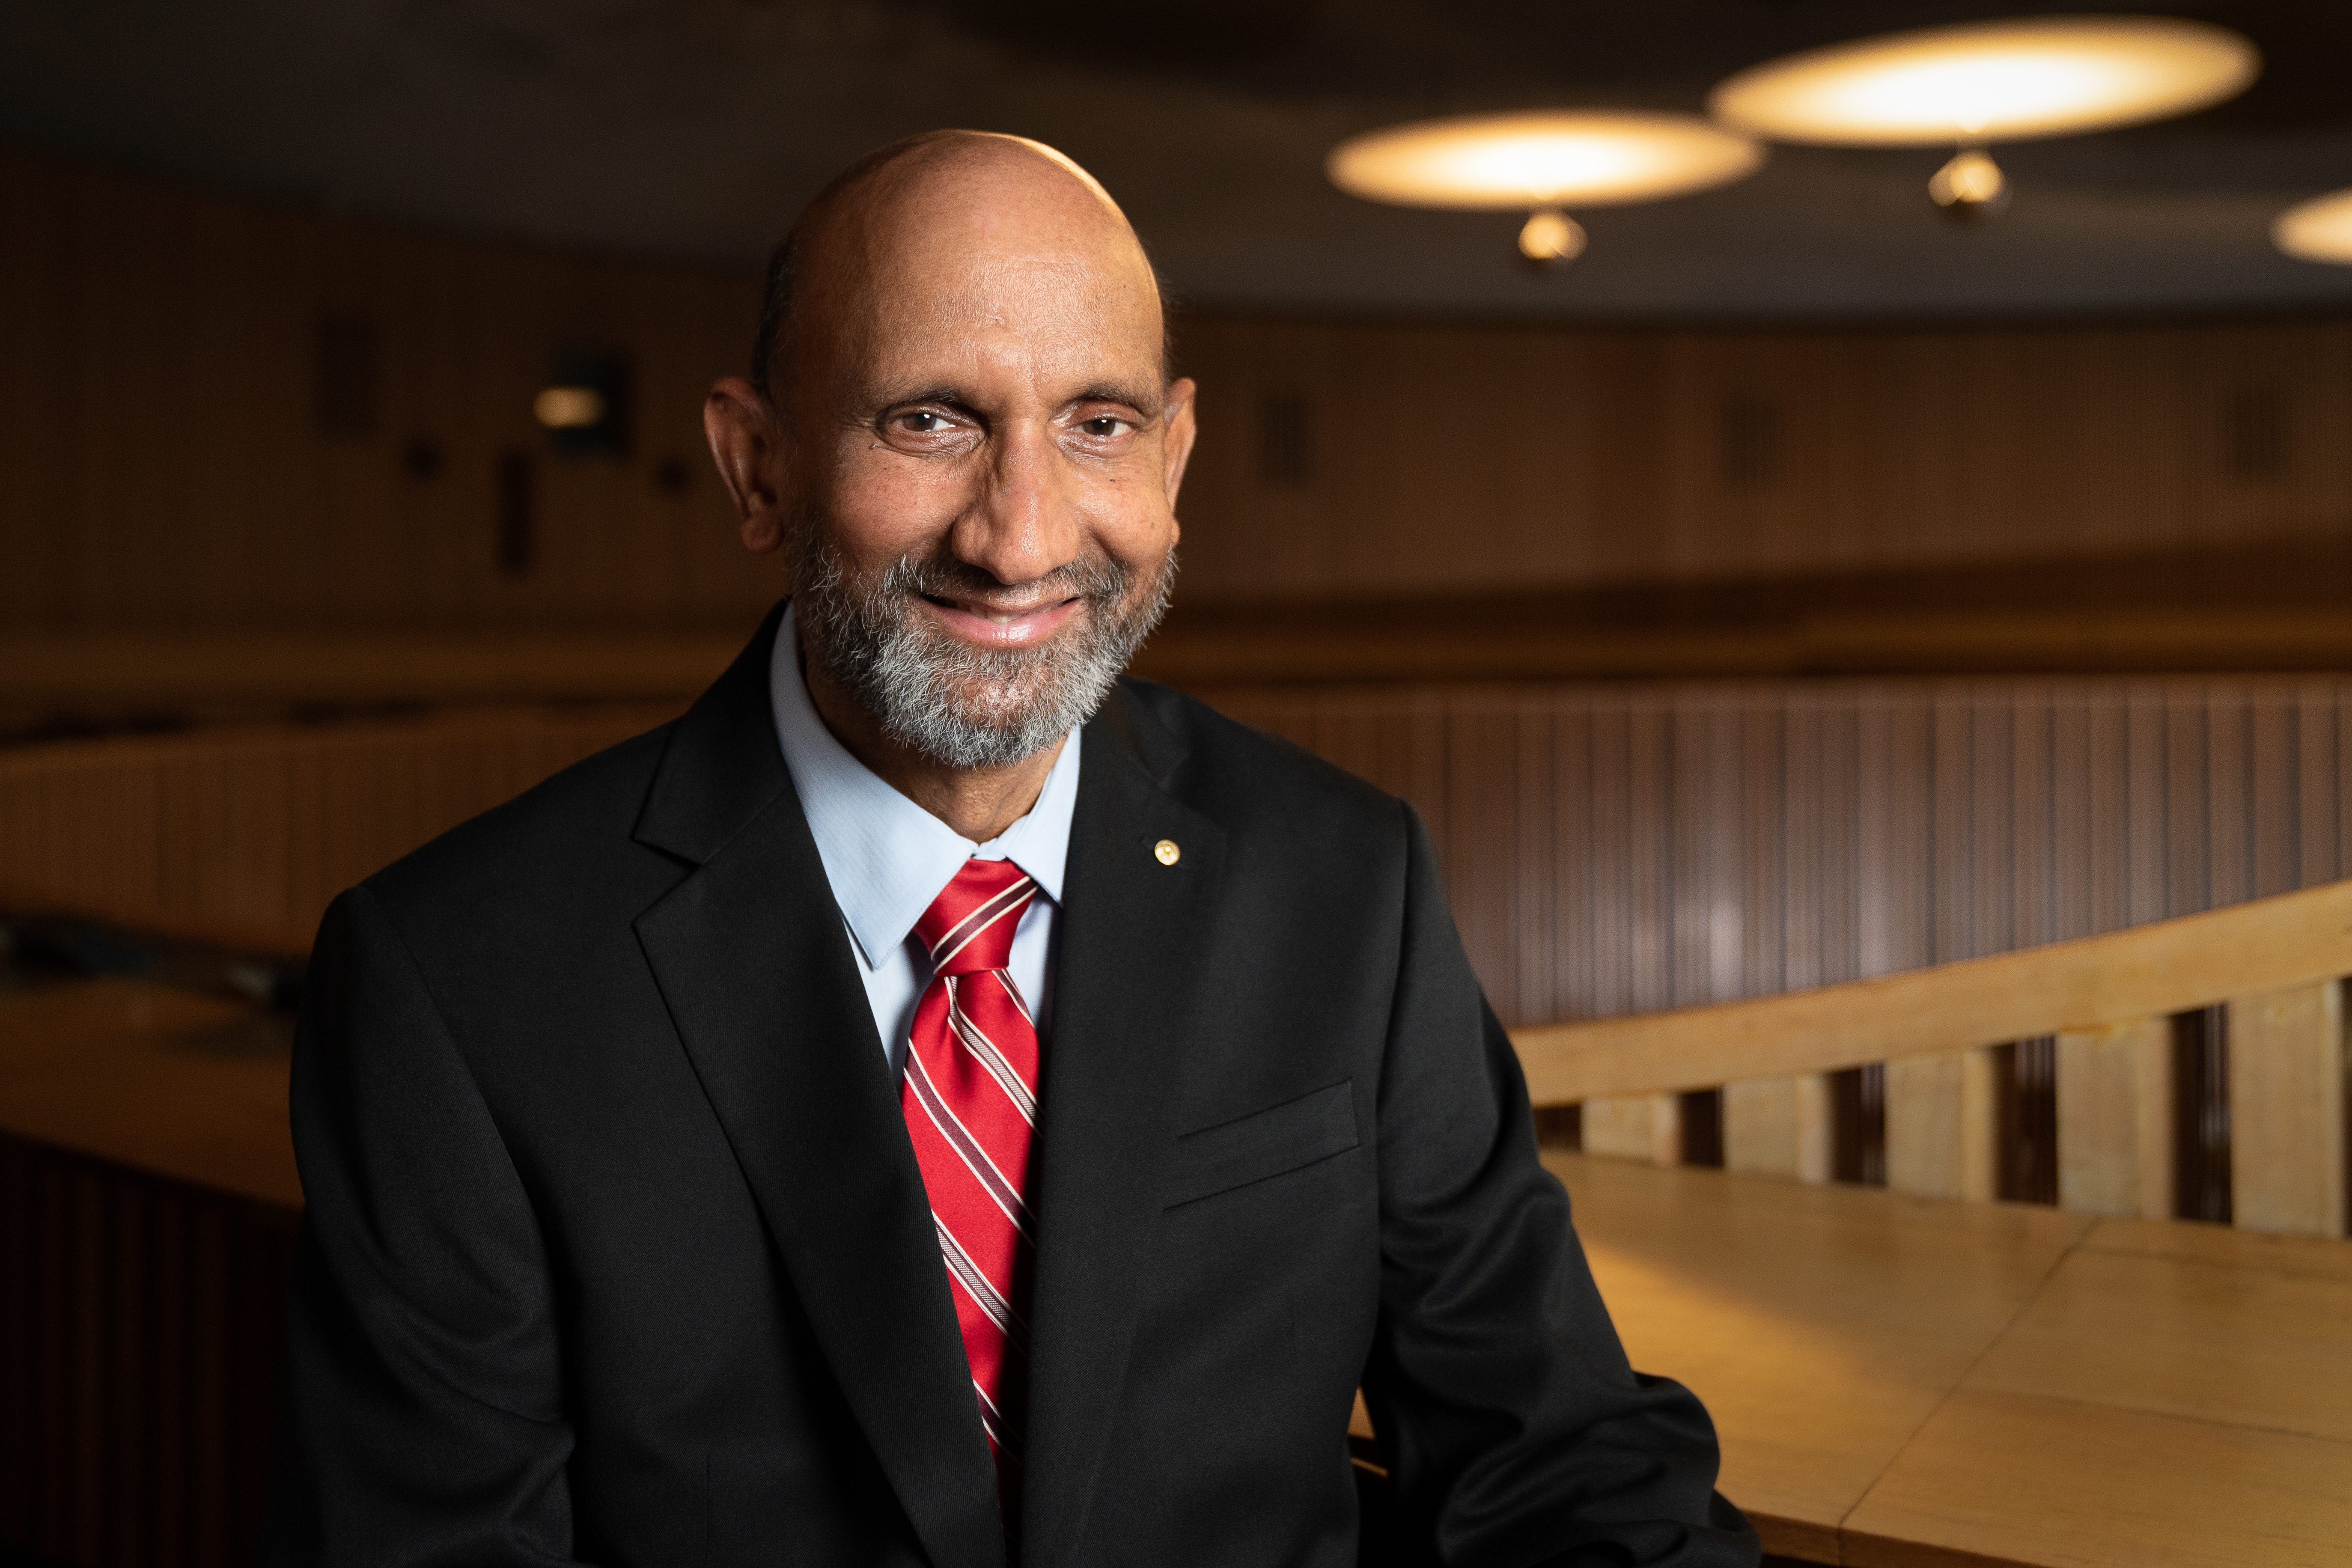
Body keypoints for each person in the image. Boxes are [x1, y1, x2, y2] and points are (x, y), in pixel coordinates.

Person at [259, 131, 1758, 1568]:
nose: (1021, 536)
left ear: (1172, 461)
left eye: (1096, 426)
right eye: (931, 420)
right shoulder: (454, 982)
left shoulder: (1347, 885)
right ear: (758, 466)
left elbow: (1555, 1456)